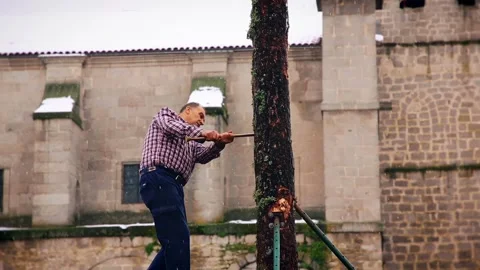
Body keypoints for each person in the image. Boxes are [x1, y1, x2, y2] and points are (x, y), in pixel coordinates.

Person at [139, 102, 234, 270]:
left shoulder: (192, 141)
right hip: (159, 177)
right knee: (178, 237)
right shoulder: (165, 116)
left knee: (174, 241)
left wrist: (220, 143)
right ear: (188, 110)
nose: (202, 121)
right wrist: (204, 133)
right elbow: (174, 128)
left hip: (173, 185)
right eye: (201, 115)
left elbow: (203, 155)